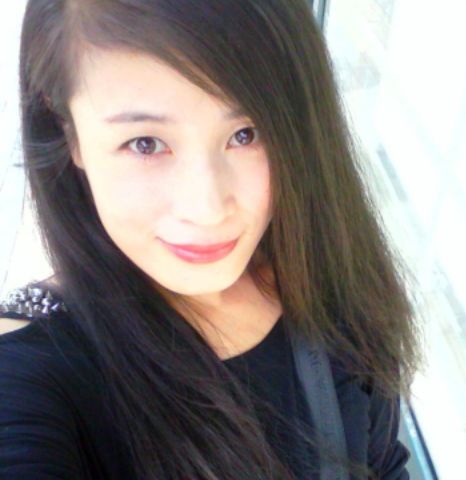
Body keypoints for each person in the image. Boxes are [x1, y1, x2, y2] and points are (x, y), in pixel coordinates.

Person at [0, 0, 425, 478]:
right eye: (145, 143)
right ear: (69, 133)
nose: (207, 208)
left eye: (247, 134)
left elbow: (382, 463)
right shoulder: (30, 375)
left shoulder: (327, 279)